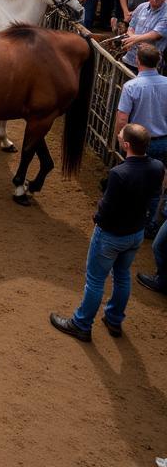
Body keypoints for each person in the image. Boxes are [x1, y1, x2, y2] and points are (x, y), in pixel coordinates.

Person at [50, 123, 164, 341]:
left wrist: (97, 219)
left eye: (121, 135)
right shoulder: (157, 167)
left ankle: (81, 324)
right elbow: (155, 195)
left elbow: (107, 208)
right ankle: (114, 319)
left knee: (94, 280)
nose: (118, 135)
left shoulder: (119, 173)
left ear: (126, 145)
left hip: (110, 235)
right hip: (135, 233)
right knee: (122, 276)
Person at [116, 43, 167, 230]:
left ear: (137, 61)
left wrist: (121, 139)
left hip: (138, 142)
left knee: (131, 181)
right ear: (158, 61)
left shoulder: (131, 86)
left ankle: (128, 218)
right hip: (162, 140)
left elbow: (122, 118)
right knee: (156, 186)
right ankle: (149, 223)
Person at [119, 0, 167, 69]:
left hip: (149, 61)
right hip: (131, 57)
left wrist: (133, 40)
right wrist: (133, 37)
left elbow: (155, 34)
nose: (155, 1)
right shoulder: (141, 7)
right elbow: (131, 27)